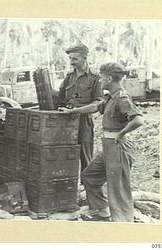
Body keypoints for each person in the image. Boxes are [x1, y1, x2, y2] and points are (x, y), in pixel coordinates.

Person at [59, 62, 144, 222]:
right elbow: (95, 107)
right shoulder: (111, 97)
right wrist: (72, 111)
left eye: (103, 77)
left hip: (118, 146)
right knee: (89, 176)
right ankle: (103, 210)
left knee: (118, 188)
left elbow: (138, 120)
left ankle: (123, 223)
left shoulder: (121, 97)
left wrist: (122, 133)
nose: (100, 80)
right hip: (108, 146)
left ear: (110, 78)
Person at [59, 43, 103, 173]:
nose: (71, 62)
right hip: (66, 121)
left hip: (83, 121)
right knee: (65, 153)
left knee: (85, 154)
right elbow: (60, 97)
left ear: (84, 58)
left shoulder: (95, 78)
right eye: (70, 59)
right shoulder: (69, 77)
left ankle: (87, 186)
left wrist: (76, 110)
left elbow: (97, 104)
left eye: (75, 59)